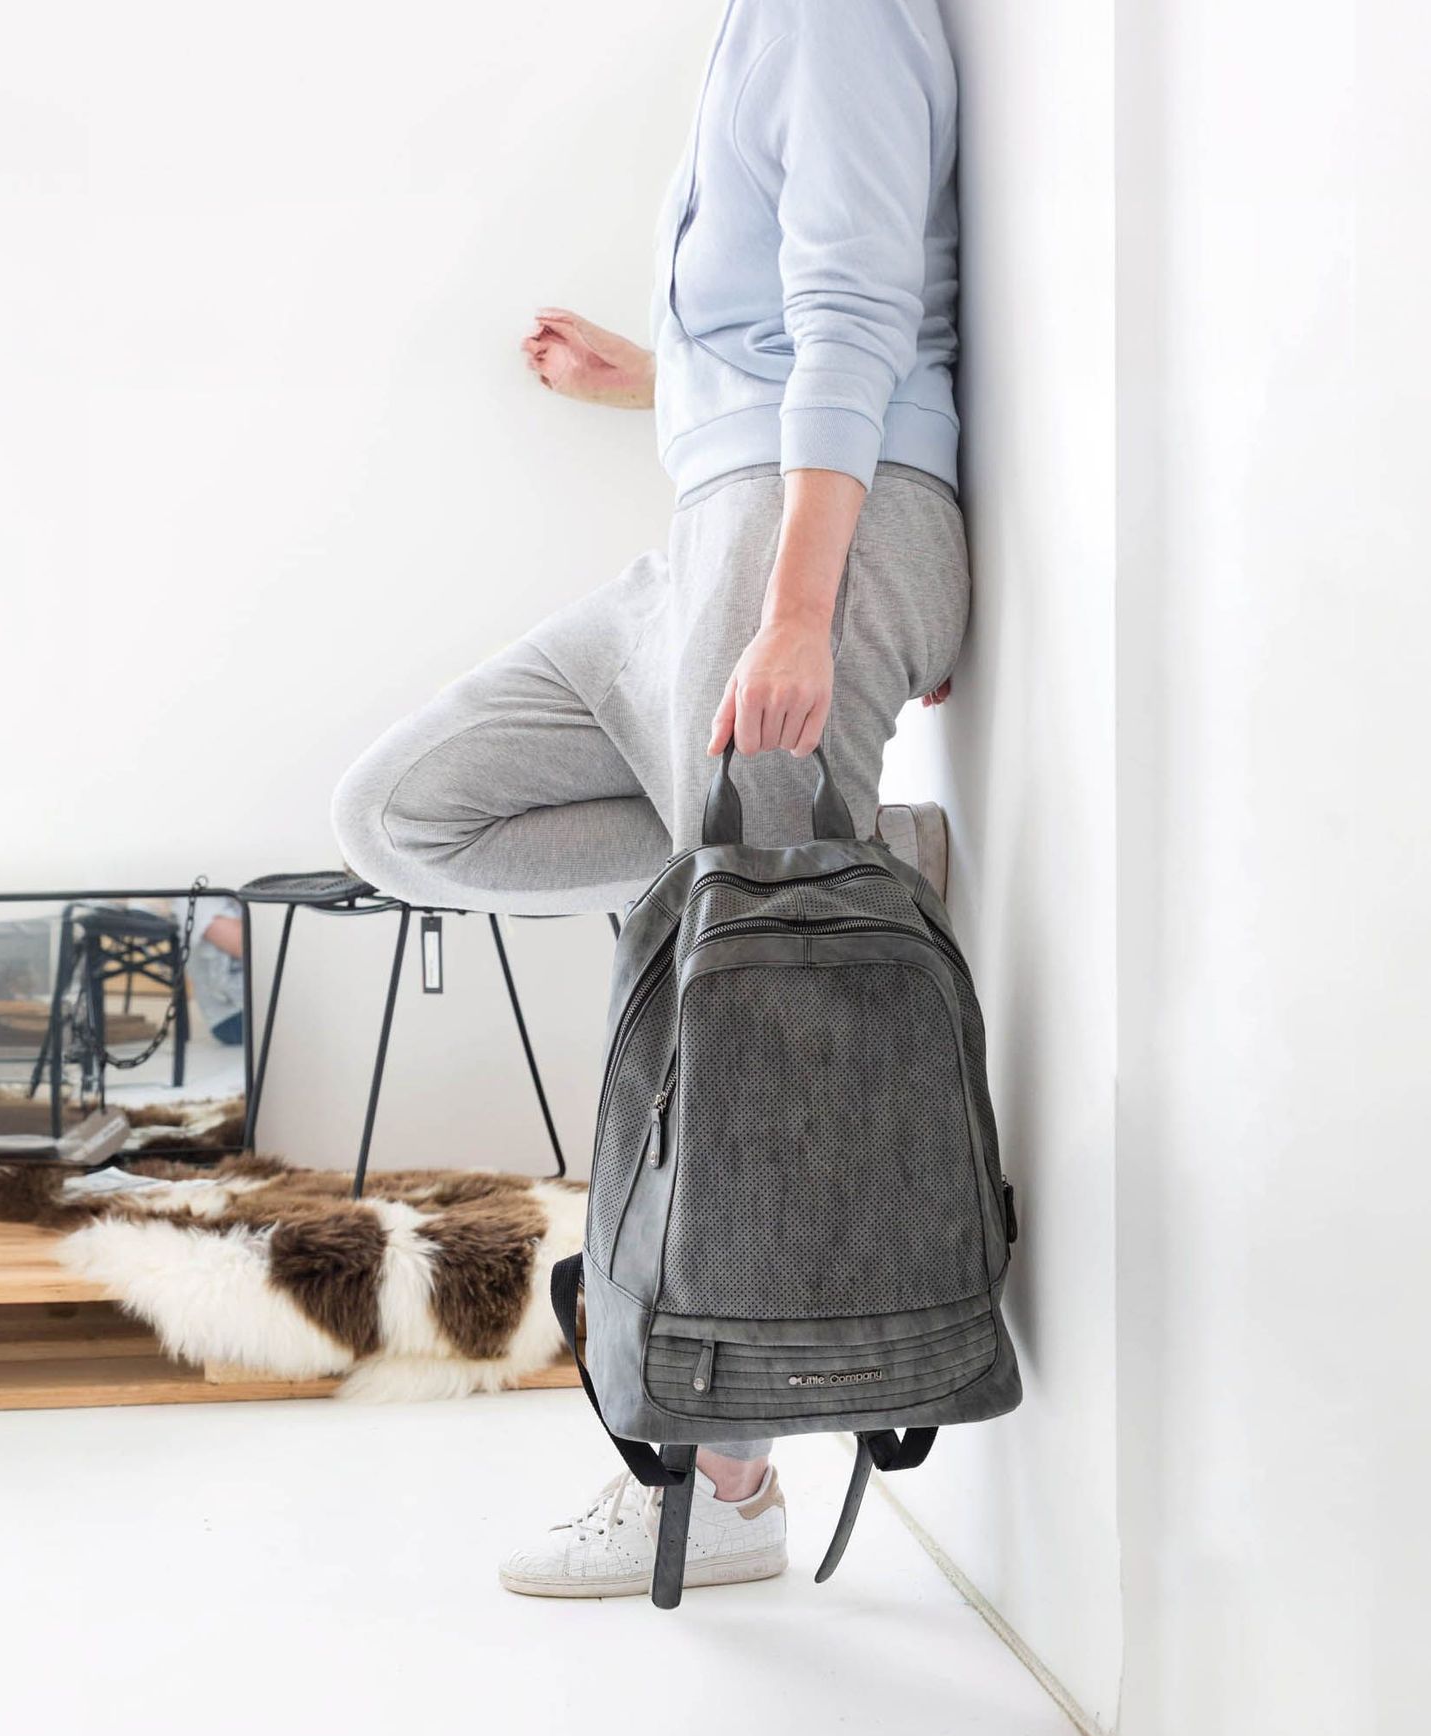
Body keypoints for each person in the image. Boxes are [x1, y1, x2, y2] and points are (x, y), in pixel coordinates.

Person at [329, 0, 966, 1598]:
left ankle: (726, 1481)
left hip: (794, 531)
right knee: (403, 811)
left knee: (731, 1023)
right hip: (711, 524)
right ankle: (845, 867)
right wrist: (656, 379)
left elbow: (860, 308)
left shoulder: (834, 11)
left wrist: (811, 608)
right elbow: (774, 321)